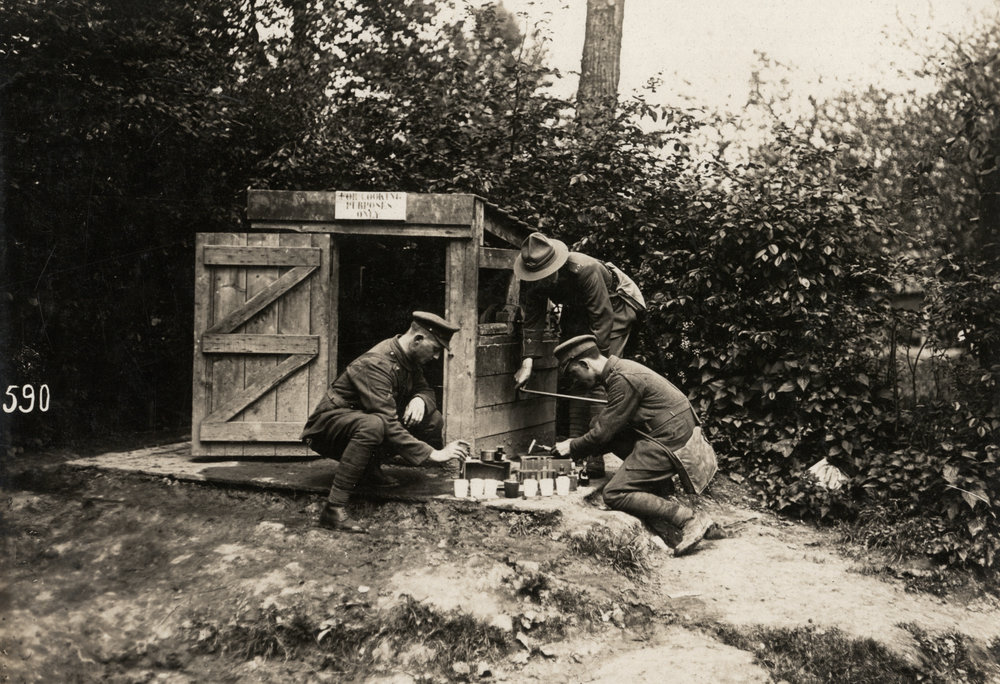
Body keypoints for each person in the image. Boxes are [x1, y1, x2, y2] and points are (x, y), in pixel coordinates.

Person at [301, 311, 470, 533]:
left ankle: (369, 468)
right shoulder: (376, 363)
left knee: (431, 419)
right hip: (327, 430)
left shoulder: (408, 359)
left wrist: (420, 399)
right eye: (436, 349)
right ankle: (334, 508)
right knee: (374, 425)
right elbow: (388, 423)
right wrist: (434, 454)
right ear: (417, 340)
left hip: (361, 425)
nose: (437, 357)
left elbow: (426, 389)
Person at [551, 335, 718, 556]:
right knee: (598, 424)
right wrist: (582, 446)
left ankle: (690, 519)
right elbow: (606, 427)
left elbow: (602, 435)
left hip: (670, 440)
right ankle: (661, 489)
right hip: (669, 432)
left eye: (574, 373)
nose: (576, 380)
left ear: (585, 364)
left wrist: (572, 447)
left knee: (615, 492)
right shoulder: (619, 370)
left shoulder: (622, 379)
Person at [511, 232, 643, 473]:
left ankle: (595, 452)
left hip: (615, 307)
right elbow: (533, 318)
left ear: (556, 264)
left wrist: (595, 363)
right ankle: (573, 445)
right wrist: (527, 362)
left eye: (545, 274)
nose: (541, 280)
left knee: (595, 378)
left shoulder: (585, 269)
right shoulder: (533, 278)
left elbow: (603, 319)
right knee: (573, 370)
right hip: (580, 309)